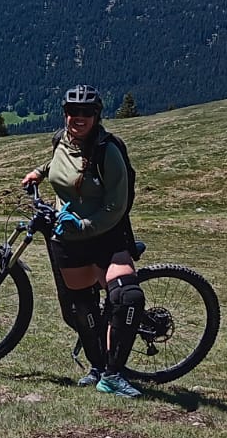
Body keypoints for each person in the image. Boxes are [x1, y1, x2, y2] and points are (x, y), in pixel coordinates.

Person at [21, 85, 146, 398]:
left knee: (127, 296)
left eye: (86, 112)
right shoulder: (61, 140)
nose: (79, 117)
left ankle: (114, 376)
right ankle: (98, 366)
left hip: (106, 235)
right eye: (73, 111)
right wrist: (39, 172)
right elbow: (61, 163)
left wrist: (85, 224)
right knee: (81, 307)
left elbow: (117, 206)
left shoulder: (108, 151)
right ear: (65, 113)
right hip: (69, 237)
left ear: (96, 115)